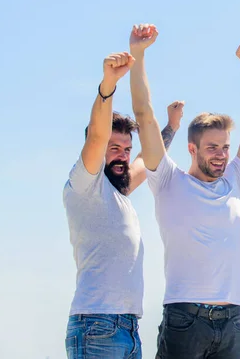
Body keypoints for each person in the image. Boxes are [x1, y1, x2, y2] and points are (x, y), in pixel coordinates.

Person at [128, 23, 240, 359]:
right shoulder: (168, 180)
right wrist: (138, 55)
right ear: (192, 148)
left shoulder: (235, 179)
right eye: (213, 147)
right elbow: (144, 116)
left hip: (232, 320)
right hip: (185, 319)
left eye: (225, 147)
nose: (221, 154)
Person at [63, 51, 183, 359]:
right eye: (114, 148)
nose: (123, 155)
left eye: (126, 149)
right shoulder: (85, 184)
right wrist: (108, 85)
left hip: (127, 326)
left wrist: (171, 127)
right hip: (96, 325)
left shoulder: (119, 191)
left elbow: (146, 160)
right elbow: (97, 135)